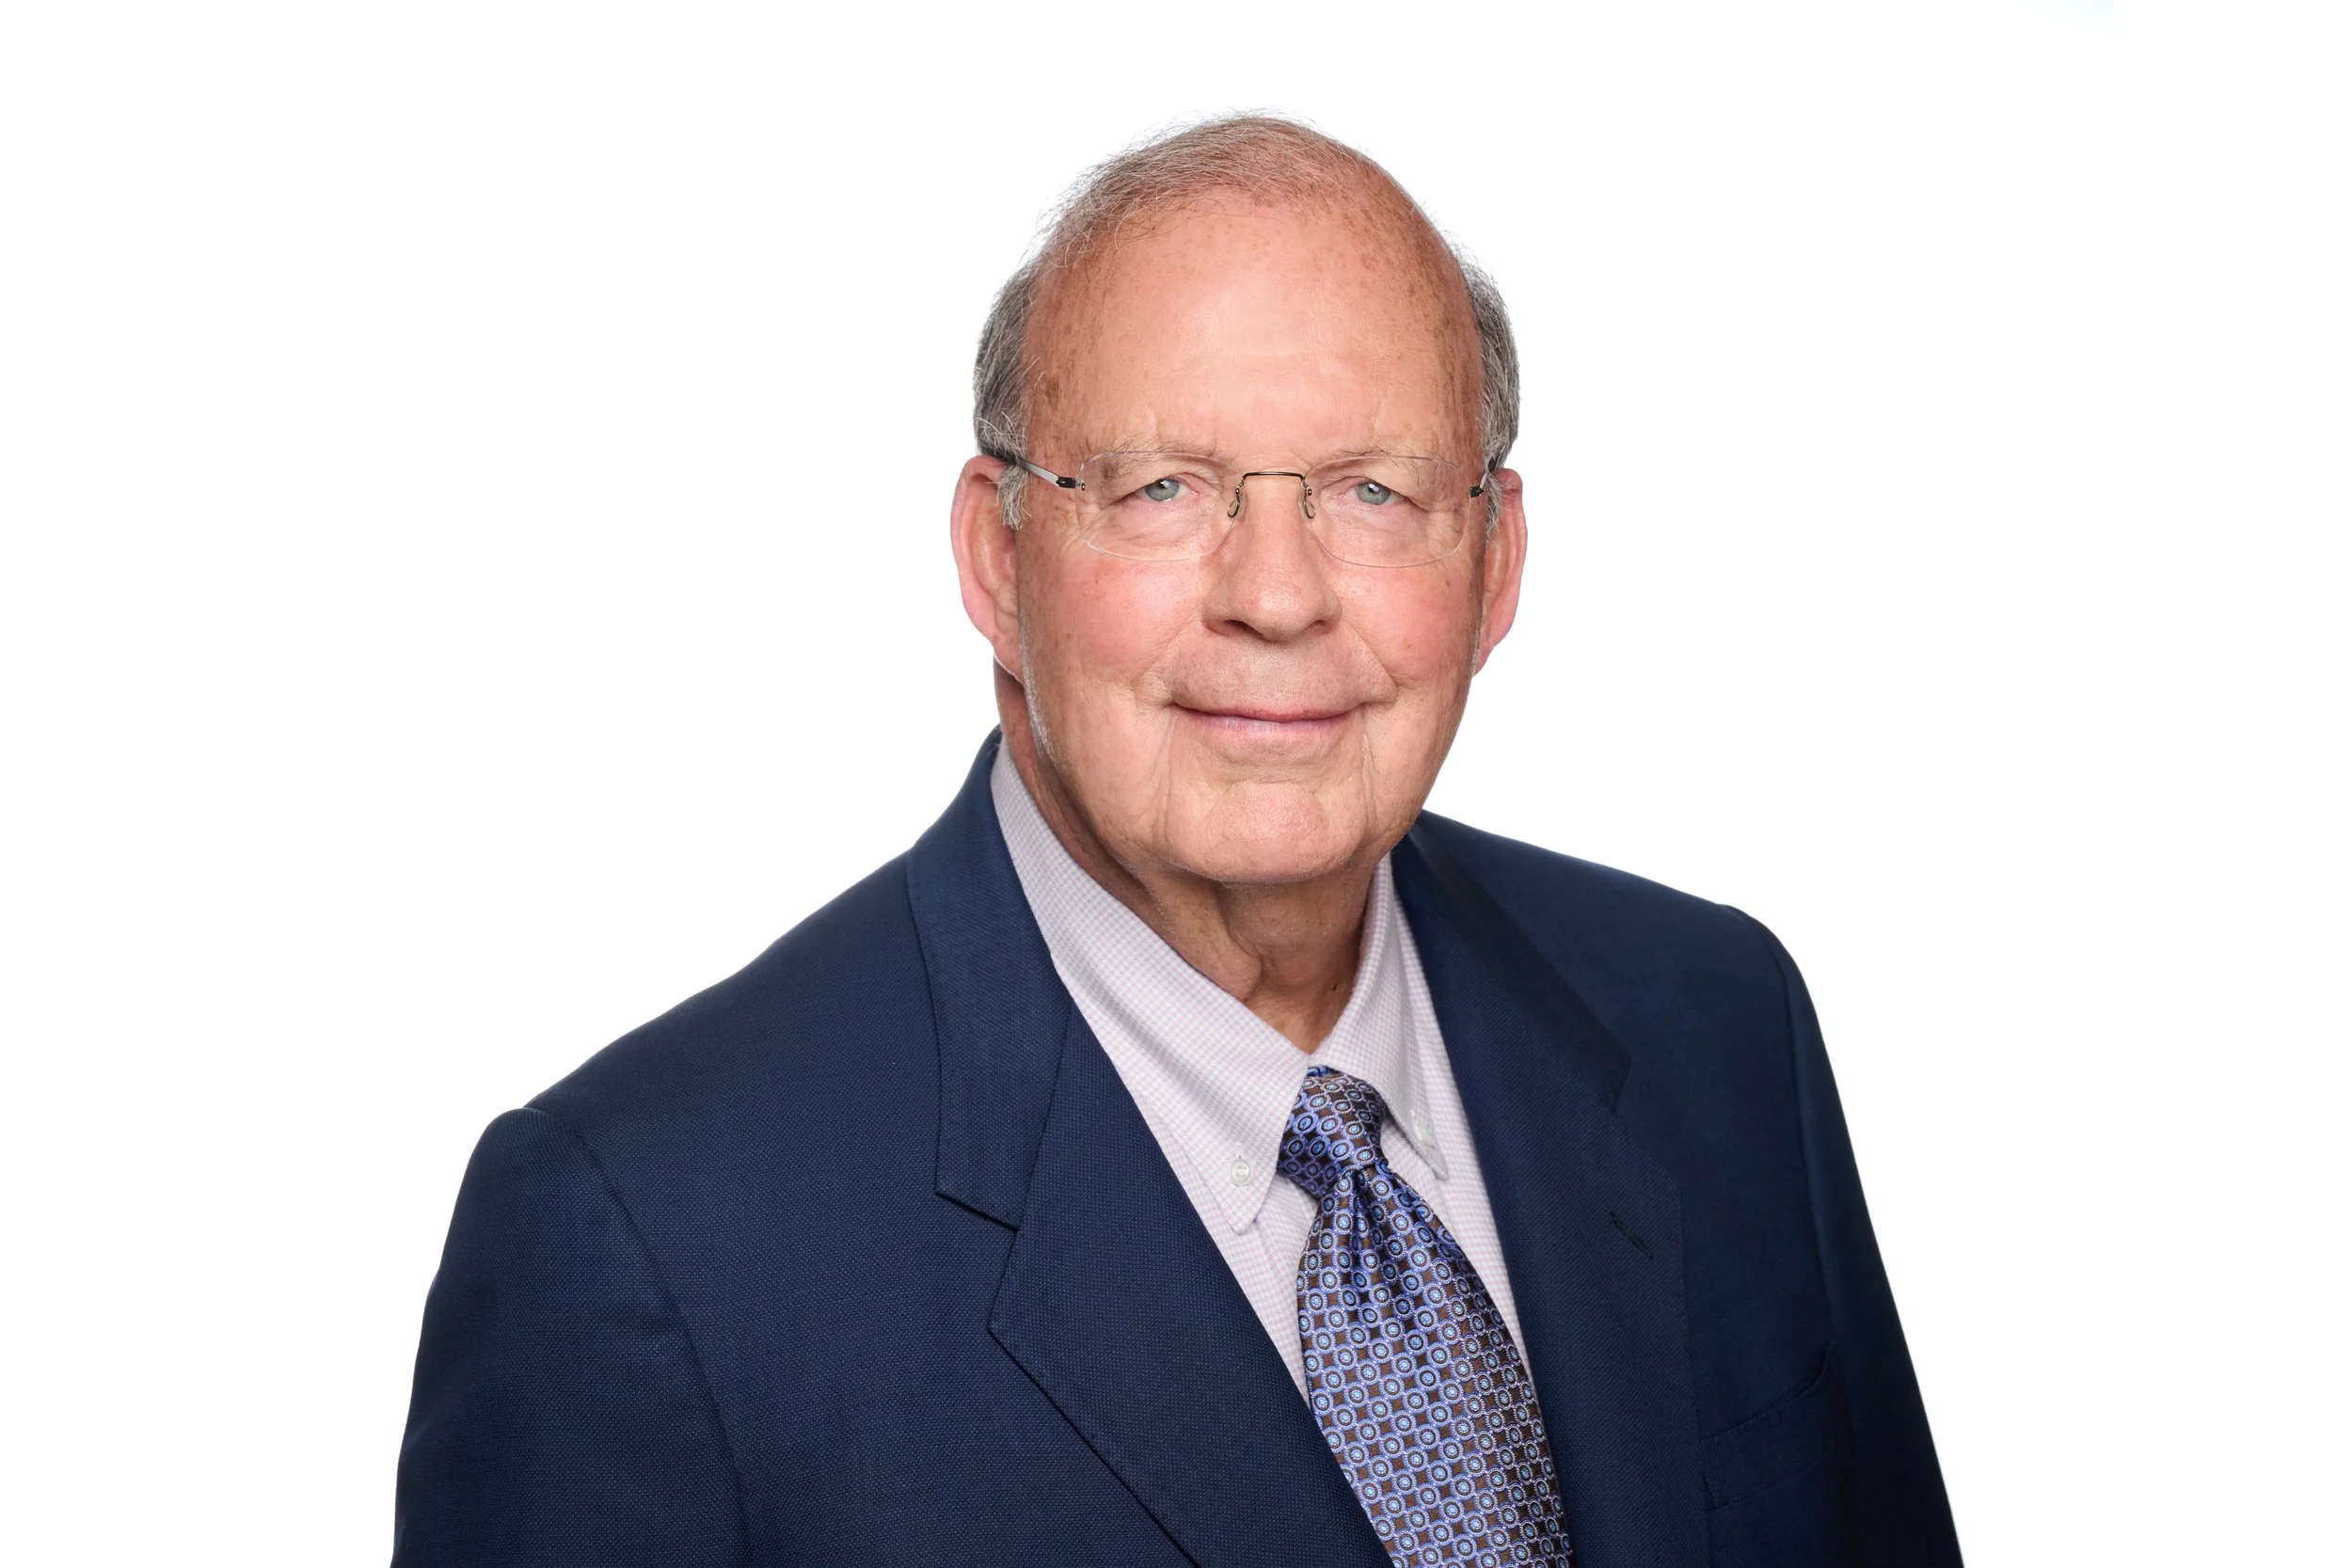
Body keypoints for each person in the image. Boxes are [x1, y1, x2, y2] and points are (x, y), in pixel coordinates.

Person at [394, 116, 1963, 1568]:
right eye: (1162, 489)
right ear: (998, 559)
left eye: (1371, 489)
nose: (1274, 594)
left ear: (1494, 564)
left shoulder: (1716, 1028)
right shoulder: (646, 1244)